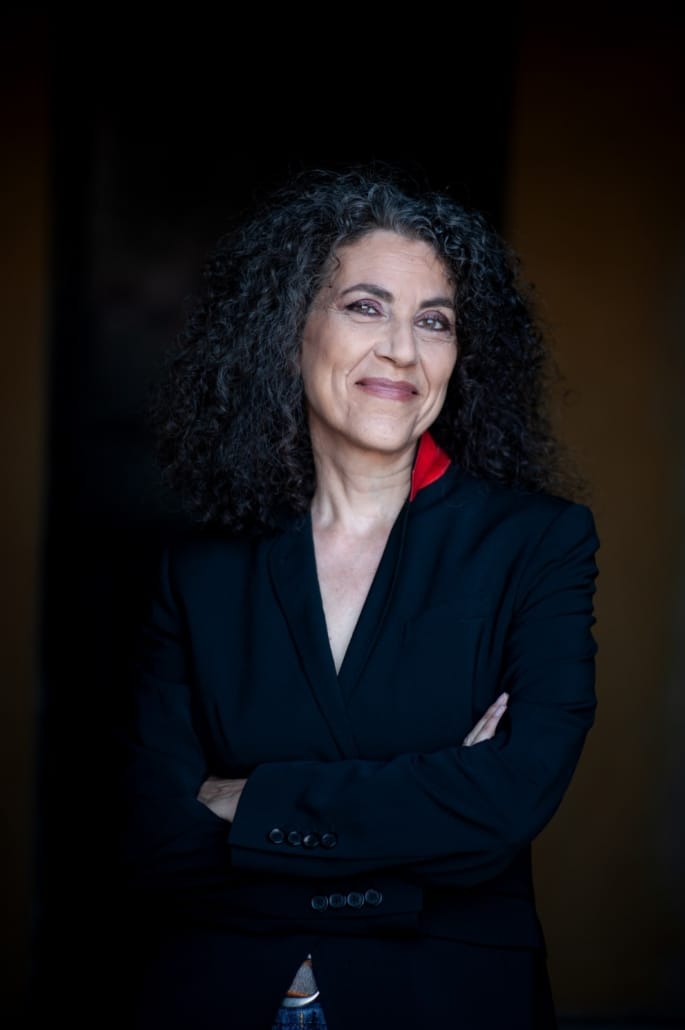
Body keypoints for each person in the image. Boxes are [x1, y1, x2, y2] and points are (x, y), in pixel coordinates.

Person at [114, 163, 599, 1030]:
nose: (403, 350)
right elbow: (155, 837)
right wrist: (424, 807)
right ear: (289, 328)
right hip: (218, 989)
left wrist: (245, 800)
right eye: (365, 307)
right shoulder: (198, 569)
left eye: (434, 320)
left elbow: (507, 801)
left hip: (447, 996)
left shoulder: (536, 544)